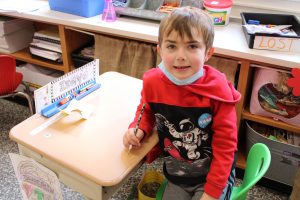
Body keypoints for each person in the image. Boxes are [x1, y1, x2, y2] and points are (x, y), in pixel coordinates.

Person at [123, 6, 241, 200]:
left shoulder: (218, 90)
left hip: (213, 177)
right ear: (160, 50)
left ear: (208, 53)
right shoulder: (152, 82)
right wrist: (139, 128)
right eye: (171, 46)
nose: (180, 56)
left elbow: (226, 146)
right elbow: (146, 109)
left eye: (192, 46)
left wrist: (212, 191)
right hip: (177, 175)